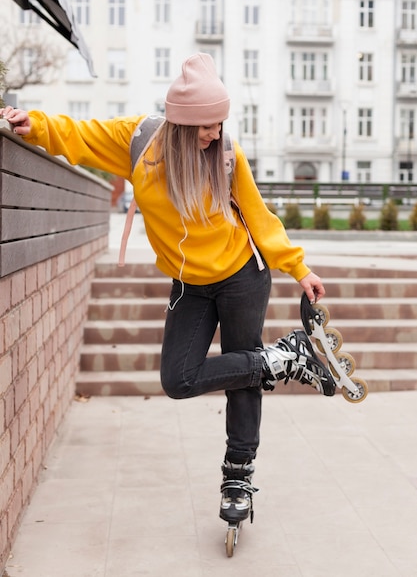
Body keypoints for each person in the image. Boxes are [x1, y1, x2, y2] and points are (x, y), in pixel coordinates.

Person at [0, 52, 335, 527]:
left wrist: (298, 268)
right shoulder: (139, 141)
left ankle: (238, 476)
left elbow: (259, 217)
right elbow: (80, 136)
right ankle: (285, 358)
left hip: (242, 275)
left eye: (221, 123)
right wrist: (32, 123)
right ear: (180, 125)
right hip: (190, 286)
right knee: (178, 379)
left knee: (242, 378)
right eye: (206, 127)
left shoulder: (225, 154)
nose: (216, 133)